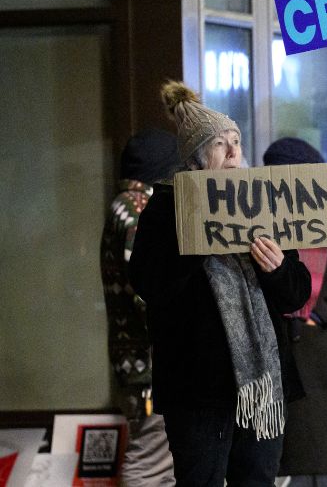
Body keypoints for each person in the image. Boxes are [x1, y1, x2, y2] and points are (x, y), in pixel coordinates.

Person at [129, 83, 312, 486]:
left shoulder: (261, 201)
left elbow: (295, 294)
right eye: (219, 144)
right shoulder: (166, 208)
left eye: (236, 142)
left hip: (262, 387)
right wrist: (199, 239)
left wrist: (278, 268)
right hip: (199, 392)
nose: (232, 153)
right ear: (196, 157)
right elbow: (149, 283)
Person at [262, 138, 327, 486]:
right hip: (294, 351)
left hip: (325, 352)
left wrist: (321, 315)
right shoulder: (267, 222)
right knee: (295, 463)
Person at [100, 127, 179, 486]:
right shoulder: (137, 210)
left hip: (136, 362)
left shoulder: (124, 205)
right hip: (148, 364)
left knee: (158, 461)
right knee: (151, 463)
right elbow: (146, 287)